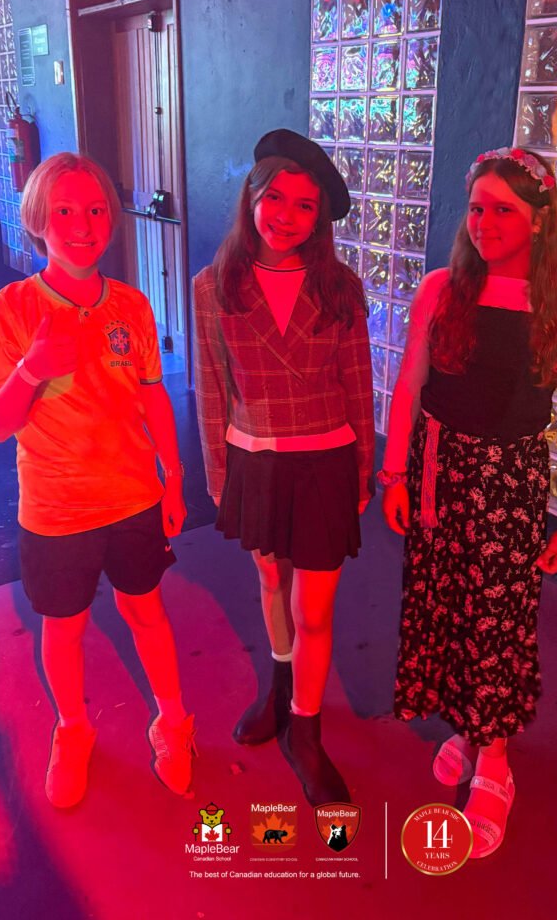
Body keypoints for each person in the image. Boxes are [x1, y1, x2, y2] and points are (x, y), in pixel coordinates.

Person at [380, 146, 557, 858]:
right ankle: (468, 727)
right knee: (443, 606)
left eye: (504, 209)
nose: (485, 222)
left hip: (508, 485)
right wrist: (393, 474)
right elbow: (411, 383)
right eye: (477, 208)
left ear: (540, 220)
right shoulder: (441, 289)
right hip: (437, 471)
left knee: (496, 622)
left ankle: (496, 759)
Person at [0, 152, 195, 808]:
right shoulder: (11, 311)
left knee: (146, 612)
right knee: (64, 627)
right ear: (38, 220)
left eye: (95, 209)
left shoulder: (130, 304)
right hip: (56, 510)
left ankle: (173, 721)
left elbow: (153, 394)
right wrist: (33, 369)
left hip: (133, 498)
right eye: (65, 210)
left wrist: (175, 476)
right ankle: (73, 729)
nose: (83, 224)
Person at [193, 129, 374, 805]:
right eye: (275, 198)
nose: (286, 216)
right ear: (252, 198)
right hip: (256, 461)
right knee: (271, 580)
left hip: (325, 459)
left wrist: (363, 472)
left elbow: (359, 385)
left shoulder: (340, 286)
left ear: (320, 218)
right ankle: (279, 688)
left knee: (314, 608)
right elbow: (213, 390)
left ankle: (306, 729)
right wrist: (219, 479)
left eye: (305, 205)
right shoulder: (214, 286)